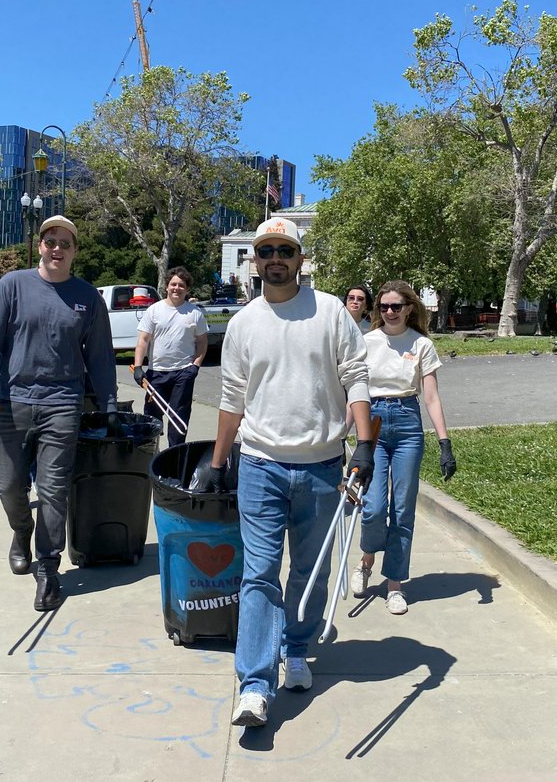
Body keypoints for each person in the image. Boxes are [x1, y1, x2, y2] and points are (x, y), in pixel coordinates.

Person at [202, 217, 375, 729]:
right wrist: (217, 463)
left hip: (323, 467)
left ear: (301, 259)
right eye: (266, 250)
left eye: (285, 249)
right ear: (254, 261)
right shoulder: (242, 324)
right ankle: (254, 684)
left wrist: (364, 445)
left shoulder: (330, 313)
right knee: (259, 575)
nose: (275, 258)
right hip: (259, 465)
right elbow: (232, 398)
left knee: (310, 571)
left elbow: (356, 378)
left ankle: (295, 648)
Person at [0, 215, 118, 612]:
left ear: (75, 251)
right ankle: (21, 532)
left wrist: (108, 407)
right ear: (39, 246)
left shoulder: (88, 298)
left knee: (54, 490)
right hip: (11, 401)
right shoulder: (13, 285)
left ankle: (49, 569)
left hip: (62, 404)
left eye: (65, 243)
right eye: (50, 241)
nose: (57, 248)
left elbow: (101, 359)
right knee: (9, 485)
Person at [351, 281, 457, 616]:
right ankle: (367, 559)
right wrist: (342, 434)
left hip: (408, 423)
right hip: (374, 422)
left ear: (409, 308)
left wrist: (444, 442)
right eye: (383, 307)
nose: (390, 312)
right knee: (373, 506)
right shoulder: (367, 342)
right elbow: (354, 392)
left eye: (396, 306)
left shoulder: (422, 344)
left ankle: (395, 583)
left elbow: (431, 396)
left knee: (402, 509)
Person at [132, 266, 208, 448]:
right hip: (156, 373)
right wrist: (138, 367)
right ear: (167, 287)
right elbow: (143, 340)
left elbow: (202, 343)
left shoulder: (195, 313)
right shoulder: (154, 310)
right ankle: (149, 454)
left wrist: (195, 366)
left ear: (187, 289)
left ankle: (174, 458)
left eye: (181, 285)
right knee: (151, 418)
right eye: (173, 284)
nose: (177, 288)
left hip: (183, 374)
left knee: (178, 419)